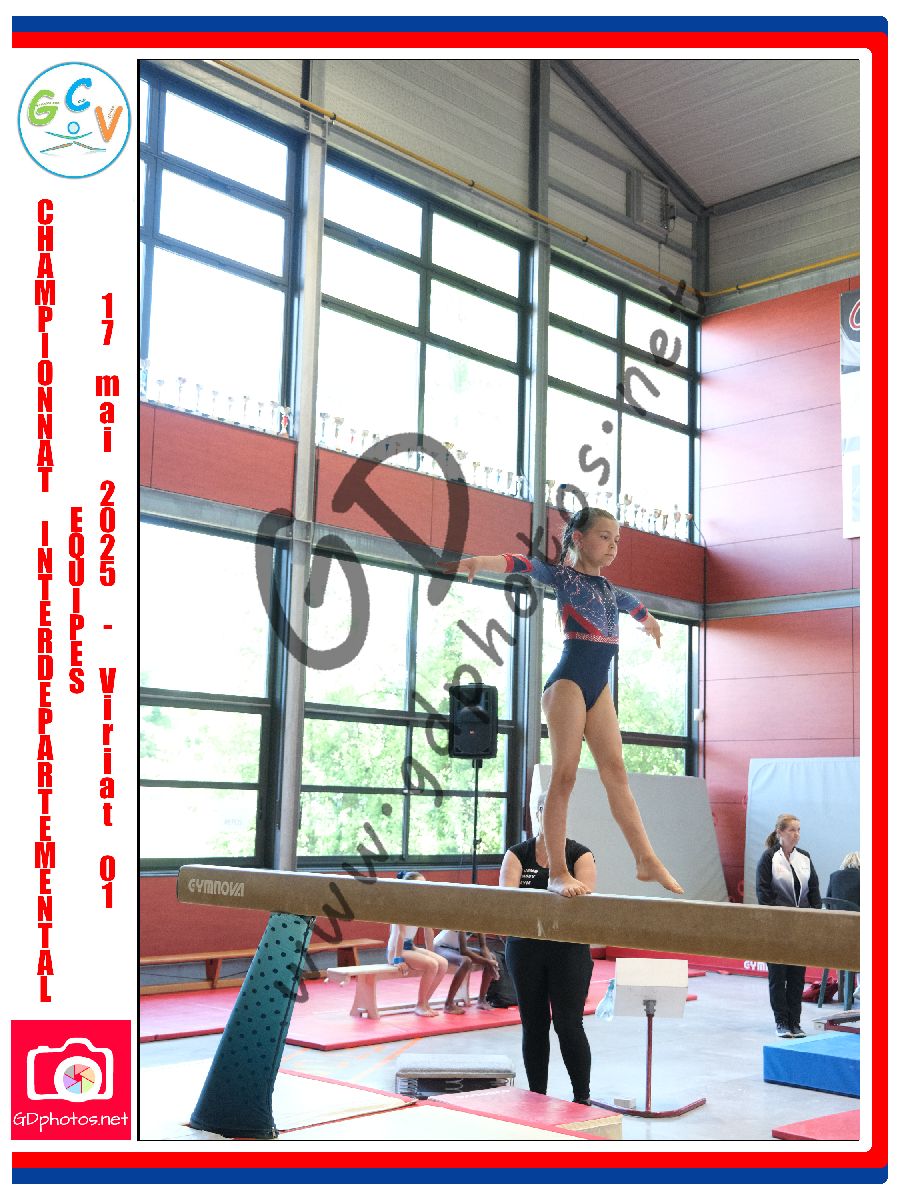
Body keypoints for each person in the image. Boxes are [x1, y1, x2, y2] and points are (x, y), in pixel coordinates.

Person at [440, 506, 682, 898]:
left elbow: (632, 604)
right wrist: (480, 562)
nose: (613, 545)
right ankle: (557, 871)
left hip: (598, 687)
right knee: (565, 775)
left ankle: (645, 858)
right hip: (568, 683)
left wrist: (649, 621)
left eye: (617, 539)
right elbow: (520, 563)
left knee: (616, 772)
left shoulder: (609, 590)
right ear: (578, 539)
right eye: (604, 536)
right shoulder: (563, 577)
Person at [499, 803, 596, 1105]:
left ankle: (582, 1097)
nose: (553, 818)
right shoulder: (518, 854)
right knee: (534, 1023)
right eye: (547, 811)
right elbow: (507, 902)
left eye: (560, 812)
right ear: (538, 814)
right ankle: (537, 1096)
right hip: (525, 946)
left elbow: (584, 903)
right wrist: (558, 894)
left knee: (568, 1024)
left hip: (568, 948)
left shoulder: (580, 855)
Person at [755, 813, 822, 1038]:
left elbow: (814, 890)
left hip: (800, 928)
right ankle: (782, 1022)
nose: (796, 834)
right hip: (776, 927)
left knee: (796, 978)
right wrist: (779, 917)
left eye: (799, 830)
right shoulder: (769, 858)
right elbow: (763, 892)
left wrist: (814, 916)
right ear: (780, 832)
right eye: (792, 830)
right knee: (778, 977)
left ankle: (795, 1022)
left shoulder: (804, 857)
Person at [385, 871, 448, 1017]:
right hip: (396, 950)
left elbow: (428, 932)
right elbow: (400, 934)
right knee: (432, 965)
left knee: (443, 963)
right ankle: (420, 1005)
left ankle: (425, 1002)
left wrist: (431, 952)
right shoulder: (401, 906)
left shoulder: (422, 906)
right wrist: (397, 960)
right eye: (421, 885)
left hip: (409, 947)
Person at [433, 930, 501, 1011]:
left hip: (456, 948)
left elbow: (483, 946)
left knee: (492, 957)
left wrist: (491, 964)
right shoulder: (463, 922)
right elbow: (464, 951)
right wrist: (488, 962)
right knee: (466, 961)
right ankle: (448, 1004)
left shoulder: (481, 924)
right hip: (440, 947)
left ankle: (481, 1000)